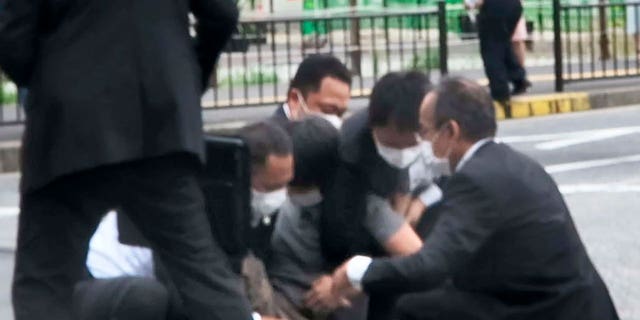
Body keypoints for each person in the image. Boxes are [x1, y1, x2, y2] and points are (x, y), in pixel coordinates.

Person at [0, 0, 253, 319]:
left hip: (71, 120)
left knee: (45, 281)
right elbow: (223, 14)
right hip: (158, 115)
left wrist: (51, 79)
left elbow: (13, 41)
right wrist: (188, 75)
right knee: (200, 272)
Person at [330, 77, 619, 320]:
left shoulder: (476, 180)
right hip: (559, 298)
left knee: (412, 308)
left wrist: (358, 271)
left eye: (425, 131)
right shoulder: (508, 162)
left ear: (451, 131)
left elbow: (431, 266)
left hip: (546, 308)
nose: (422, 142)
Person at [75, 121, 294, 320]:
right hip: (101, 288)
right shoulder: (192, 206)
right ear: (242, 179)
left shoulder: (237, 210)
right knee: (153, 300)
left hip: (147, 287)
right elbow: (192, 290)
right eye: (270, 188)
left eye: (286, 185)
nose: (279, 197)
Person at [311, 71, 443, 316]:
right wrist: (349, 283)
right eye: (395, 145)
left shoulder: (437, 131)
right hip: (368, 239)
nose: (406, 151)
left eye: (418, 138)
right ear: (376, 126)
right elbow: (345, 237)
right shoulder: (350, 157)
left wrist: (421, 202)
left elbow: (452, 179)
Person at [469, 0, 530, 107]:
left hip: (494, 8)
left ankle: (500, 91)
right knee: (503, 44)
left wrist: (471, 3)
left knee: (492, 49)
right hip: (513, 6)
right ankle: (518, 78)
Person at [272, 54, 351, 128]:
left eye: (341, 114)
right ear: (295, 99)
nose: (335, 120)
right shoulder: (269, 140)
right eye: (328, 110)